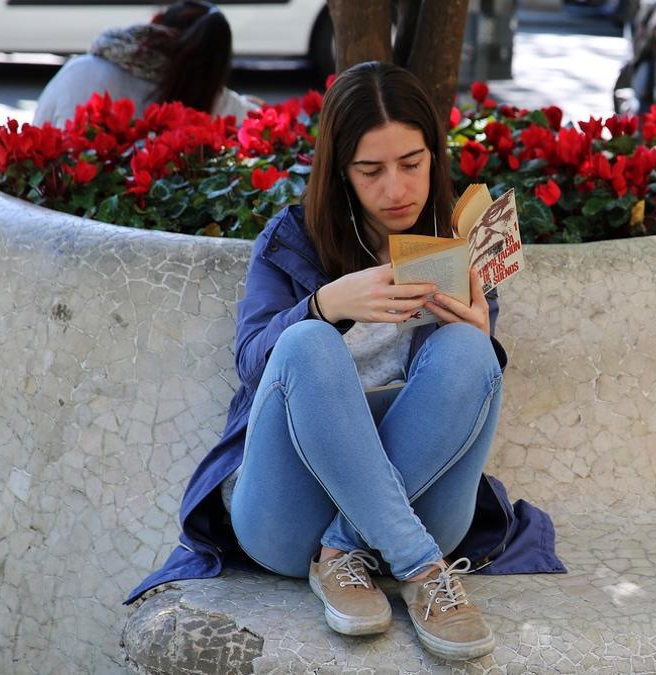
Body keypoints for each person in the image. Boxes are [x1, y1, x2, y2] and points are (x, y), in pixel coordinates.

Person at [126, 62, 564, 661]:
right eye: (371, 171)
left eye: (412, 164)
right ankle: (418, 569)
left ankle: (347, 551)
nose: (397, 189)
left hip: (417, 499)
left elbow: (462, 399)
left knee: (468, 349)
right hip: (289, 519)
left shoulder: (458, 242)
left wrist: (481, 340)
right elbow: (256, 366)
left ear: (434, 157)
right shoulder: (292, 242)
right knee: (305, 342)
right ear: (340, 173)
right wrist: (324, 304)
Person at [33, 0, 256, 126]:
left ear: (155, 23)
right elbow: (259, 119)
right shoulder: (214, 102)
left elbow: (37, 132)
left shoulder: (80, 70)